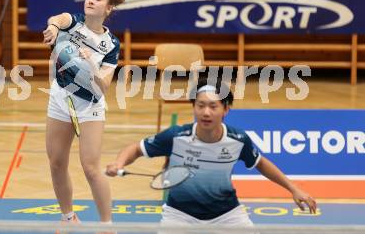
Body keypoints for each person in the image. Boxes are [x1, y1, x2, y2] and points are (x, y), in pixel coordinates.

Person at [106, 77, 317, 226]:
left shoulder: (237, 139)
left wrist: (293, 188)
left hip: (226, 213)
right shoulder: (176, 136)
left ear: (226, 109)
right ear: (194, 107)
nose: (206, 112)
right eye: (200, 105)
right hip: (179, 214)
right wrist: (119, 164)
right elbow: (136, 149)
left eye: (213, 106)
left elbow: (260, 162)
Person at [42, 0, 127, 224]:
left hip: (90, 104)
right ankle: (68, 218)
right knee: (56, 163)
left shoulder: (111, 45)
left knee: (90, 168)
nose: (91, 1)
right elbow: (56, 20)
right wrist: (54, 28)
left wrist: (91, 63)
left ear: (108, 8)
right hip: (60, 97)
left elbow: (103, 87)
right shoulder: (72, 23)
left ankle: (107, 225)